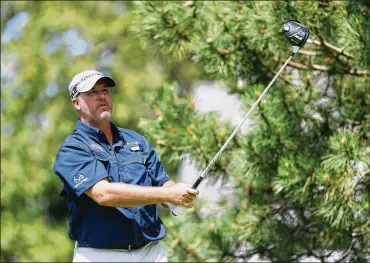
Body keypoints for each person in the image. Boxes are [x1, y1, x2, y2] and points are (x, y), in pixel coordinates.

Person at [53, 70, 199, 262]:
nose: (102, 96)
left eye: (105, 90)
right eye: (92, 92)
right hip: (100, 255)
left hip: (152, 253)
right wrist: (167, 195)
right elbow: (103, 194)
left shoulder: (136, 140)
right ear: (76, 103)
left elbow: (163, 183)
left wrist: (177, 195)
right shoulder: (72, 148)